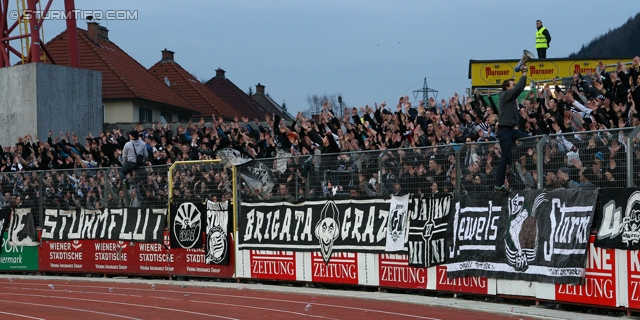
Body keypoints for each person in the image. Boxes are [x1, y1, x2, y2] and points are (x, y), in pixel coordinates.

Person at [494, 65, 530, 192]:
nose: (515, 86)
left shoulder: (511, 99)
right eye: (512, 85)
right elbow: (519, 88)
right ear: (507, 88)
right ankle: (499, 184)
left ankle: (514, 156)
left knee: (531, 140)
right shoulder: (504, 95)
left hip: (511, 130)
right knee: (505, 157)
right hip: (505, 131)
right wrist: (524, 73)